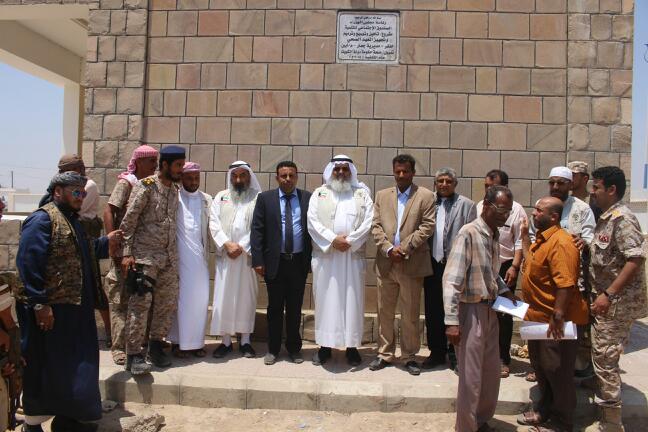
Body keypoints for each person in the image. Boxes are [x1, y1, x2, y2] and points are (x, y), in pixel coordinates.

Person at [15, 172, 121, 432]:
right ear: (57, 192)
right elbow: (28, 263)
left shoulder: (73, 220)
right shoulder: (42, 220)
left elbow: (82, 252)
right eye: (75, 192)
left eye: (82, 193)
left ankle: (67, 420)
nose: (80, 197)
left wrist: (107, 242)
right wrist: (40, 305)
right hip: (50, 313)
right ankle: (33, 425)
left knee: (75, 369)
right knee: (44, 368)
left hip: (76, 311)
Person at [443, 185, 516, 432]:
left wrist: (505, 291)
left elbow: (491, 273)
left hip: (490, 311)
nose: (505, 216)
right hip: (470, 311)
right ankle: (466, 427)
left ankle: (481, 420)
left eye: (508, 212)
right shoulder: (469, 233)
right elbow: (451, 281)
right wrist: (452, 322)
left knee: (490, 373)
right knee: (471, 377)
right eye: (501, 210)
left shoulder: (493, 235)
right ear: (486, 205)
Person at [584, 166, 647, 432]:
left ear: (611, 189)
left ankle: (611, 423)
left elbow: (635, 259)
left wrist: (608, 295)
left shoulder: (623, 219)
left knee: (605, 358)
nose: (592, 192)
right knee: (602, 356)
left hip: (615, 303)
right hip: (604, 301)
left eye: (596, 187)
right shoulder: (606, 217)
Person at [518, 197, 589, 432]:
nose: (534, 213)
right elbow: (531, 263)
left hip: (555, 321)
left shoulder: (562, 242)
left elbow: (566, 283)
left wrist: (558, 315)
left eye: (539, 211)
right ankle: (545, 410)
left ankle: (562, 421)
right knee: (542, 367)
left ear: (554, 217)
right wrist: (524, 237)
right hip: (538, 318)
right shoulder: (542, 240)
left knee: (557, 371)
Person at [120, 146, 185, 375]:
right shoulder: (146, 186)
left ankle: (156, 347)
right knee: (140, 306)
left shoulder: (175, 190)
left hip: (168, 259)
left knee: (166, 304)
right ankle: (134, 354)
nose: (181, 170)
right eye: (178, 165)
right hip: (144, 257)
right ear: (165, 165)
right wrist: (126, 253)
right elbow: (129, 221)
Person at [370, 154, 435, 376]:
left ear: (413, 172)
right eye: (397, 171)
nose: (401, 175)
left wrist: (404, 248)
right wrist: (389, 249)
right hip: (386, 263)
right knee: (384, 312)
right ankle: (385, 353)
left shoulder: (425, 196)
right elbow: (376, 226)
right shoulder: (382, 195)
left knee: (410, 314)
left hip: (412, 263)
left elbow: (427, 226)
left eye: (405, 171)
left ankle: (409, 356)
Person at [529, 166, 596, 381]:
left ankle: (567, 372)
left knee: (568, 328)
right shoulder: (542, 205)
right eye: (552, 182)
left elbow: (590, 238)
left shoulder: (582, 209)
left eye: (560, 183)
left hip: (571, 279)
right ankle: (545, 370)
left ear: (570, 184)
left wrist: (583, 242)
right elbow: (534, 236)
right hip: (545, 279)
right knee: (544, 331)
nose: (555, 187)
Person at [307, 155, 373, 366]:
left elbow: (369, 221)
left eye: (345, 169)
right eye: (337, 169)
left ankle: (352, 347)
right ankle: (325, 347)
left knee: (353, 301)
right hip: (327, 258)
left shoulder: (362, 194)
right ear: (331, 171)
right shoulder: (320, 194)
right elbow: (312, 221)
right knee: (326, 301)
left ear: (351, 171)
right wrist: (333, 239)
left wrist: (350, 241)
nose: (341, 173)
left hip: (352, 257)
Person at [251, 161, 312, 365]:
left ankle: (294, 349)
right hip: (274, 263)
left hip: (298, 262)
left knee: (295, 308)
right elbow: (257, 230)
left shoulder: (307, 198)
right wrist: (258, 260)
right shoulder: (265, 199)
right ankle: (273, 349)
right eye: (283, 175)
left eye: (291, 175)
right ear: (277, 177)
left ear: (297, 177)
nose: (287, 179)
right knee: (274, 308)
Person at [103, 145, 158, 365]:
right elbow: (109, 210)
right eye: (151, 161)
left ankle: (138, 344)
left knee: (141, 297)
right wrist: (114, 243)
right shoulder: (127, 183)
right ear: (139, 162)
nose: (154, 165)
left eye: (156, 161)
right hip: (124, 251)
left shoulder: (151, 184)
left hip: (144, 252)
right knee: (120, 299)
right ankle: (118, 348)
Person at [423, 167, 476, 370]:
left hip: (455, 265)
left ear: (455, 184)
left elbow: (472, 235)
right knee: (433, 309)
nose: (444, 184)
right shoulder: (427, 202)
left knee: (455, 309)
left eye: (448, 181)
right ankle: (436, 352)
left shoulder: (467, 205)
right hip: (431, 264)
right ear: (435, 183)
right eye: (440, 181)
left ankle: (455, 354)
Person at [476, 170, 527, 378]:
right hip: (484, 264)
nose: (488, 189)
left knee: (503, 314)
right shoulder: (480, 206)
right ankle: (484, 356)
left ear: (505, 187)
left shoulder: (516, 210)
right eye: (486, 186)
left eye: (492, 186)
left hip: (506, 266)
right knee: (483, 311)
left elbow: (519, 241)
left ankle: (503, 358)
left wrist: (514, 267)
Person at [209, 161, 262, 359]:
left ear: (249, 176)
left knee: (246, 298)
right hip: (226, 256)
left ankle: (245, 340)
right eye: (235, 176)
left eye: (243, 175)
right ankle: (225, 341)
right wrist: (226, 244)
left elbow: (258, 225)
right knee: (224, 298)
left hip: (247, 257)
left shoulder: (258, 198)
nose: (238, 179)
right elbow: (214, 223)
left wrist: (242, 246)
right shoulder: (221, 197)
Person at [168, 162, 212, 358]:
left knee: (200, 300)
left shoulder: (206, 199)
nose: (194, 182)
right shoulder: (174, 197)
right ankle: (178, 343)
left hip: (199, 258)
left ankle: (197, 343)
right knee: (180, 300)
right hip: (178, 258)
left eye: (196, 178)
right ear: (181, 178)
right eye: (189, 178)